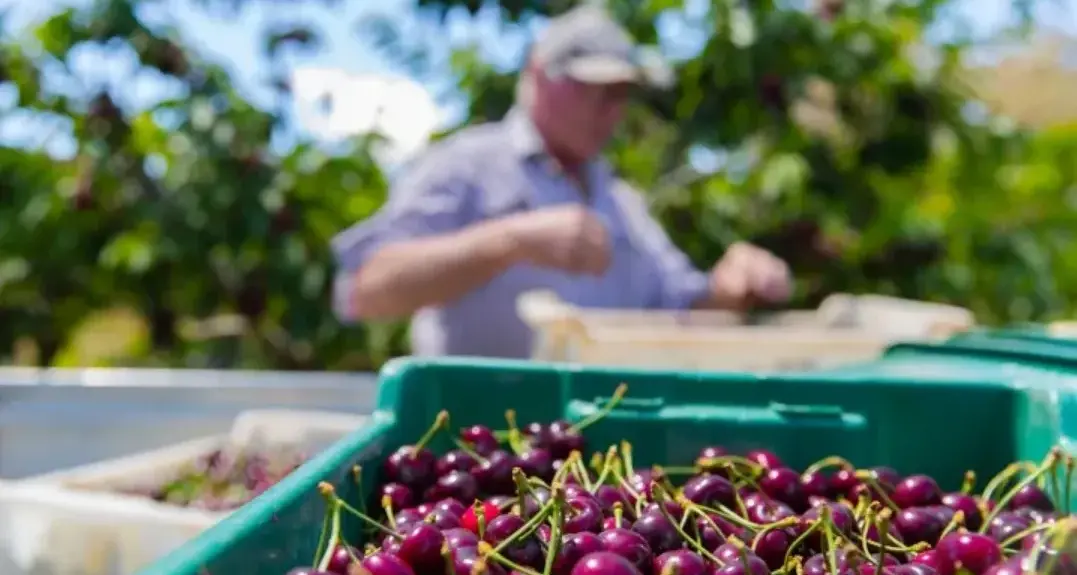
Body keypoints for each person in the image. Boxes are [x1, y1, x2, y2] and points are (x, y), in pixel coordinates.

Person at [331, 4, 793, 358]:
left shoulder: (619, 200)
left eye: (622, 94)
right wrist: (509, 240)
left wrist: (730, 289)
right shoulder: (468, 165)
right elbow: (366, 289)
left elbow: (679, 314)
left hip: (594, 453)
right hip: (475, 452)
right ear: (539, 74)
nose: (611, 109)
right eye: (596, 87)